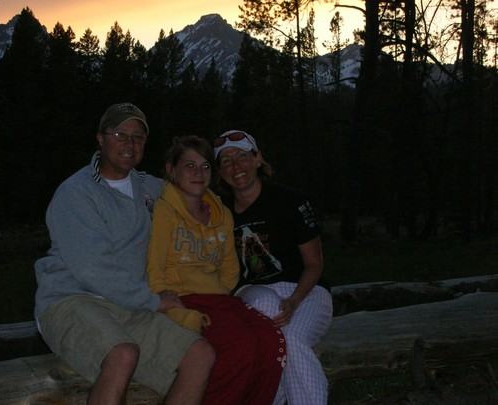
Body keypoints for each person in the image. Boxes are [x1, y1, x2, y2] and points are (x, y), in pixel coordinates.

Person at [34, 103, 215, 405]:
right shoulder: (76, 193)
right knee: (122, 354)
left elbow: (194, 192)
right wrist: (153, 301)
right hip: (72, 299)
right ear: (100, 139)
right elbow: (93, 270)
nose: (130, 144)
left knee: (200, 355)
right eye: (120, 135)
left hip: (129, 307)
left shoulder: (150, 188)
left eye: (138, 137)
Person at [146, 135, 286, 405]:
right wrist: (176, 311)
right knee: (240, 347)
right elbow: (155, 269)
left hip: (219, 300)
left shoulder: (221, 214)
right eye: (189, 166)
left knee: (272, 341)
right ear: (171, 171)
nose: (198, 173)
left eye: (205, 166)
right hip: (184, 298)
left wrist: (219, 291)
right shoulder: (164, 211)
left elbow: (230, 269)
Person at [213, 130, 333, 405]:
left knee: (290, 340)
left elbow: (314, 264)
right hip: (253, 292)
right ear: (220, 172)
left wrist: (295, 300)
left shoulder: (290, 201)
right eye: (226, 161)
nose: (236, 166)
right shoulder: (219, 211)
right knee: (268, 310)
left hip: (306, 291)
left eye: (242, 156)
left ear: (258, 159)